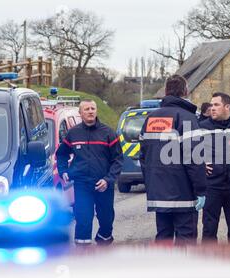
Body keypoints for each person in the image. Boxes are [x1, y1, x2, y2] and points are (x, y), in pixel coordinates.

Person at [139, 75, 207, 245]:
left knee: (163, 238)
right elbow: (195, 158)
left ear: (166, 91)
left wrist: (152, 183)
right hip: (183, 194)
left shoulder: (151, 118)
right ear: (185, 91)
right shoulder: (187, 118)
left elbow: (143, 156)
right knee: (186, 241)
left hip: (158, 193)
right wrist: (201, 190)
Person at [56, 99, 123, 246]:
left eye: (93, 108)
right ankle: (82, 251)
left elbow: (118, 160)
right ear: (80, 113)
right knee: (83, 219)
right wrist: (63, 171)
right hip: (82, 185)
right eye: (86, 109)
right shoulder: (73, 133)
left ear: (96, 111)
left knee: (106, 219)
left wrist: (108, 180)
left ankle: (104, 243)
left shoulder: (108, 133)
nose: (90, 111)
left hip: (104, 185)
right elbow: (61, 154)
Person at [199, 92, 230, 242]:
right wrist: (201, 163)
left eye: (216, 105)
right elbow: (190, 151)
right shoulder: (202, 127)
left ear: (227, 107)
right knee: (209, 229)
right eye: (211, 105)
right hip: (212, 186)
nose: (212, 108)